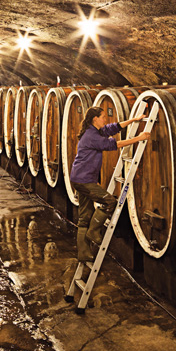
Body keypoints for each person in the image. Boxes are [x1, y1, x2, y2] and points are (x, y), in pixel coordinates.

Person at [70, 106, 150, 262]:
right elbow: (114, 145)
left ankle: (83, 253)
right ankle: (93, 232)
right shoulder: (91, 136)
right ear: (95, 119)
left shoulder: (94, 130)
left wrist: (133, 120)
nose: (105, 119)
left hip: (80, 178)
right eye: (103, 117)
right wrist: (139, 138)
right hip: (84, 180)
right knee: (110, 201)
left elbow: (112, 128)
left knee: (84, 217)